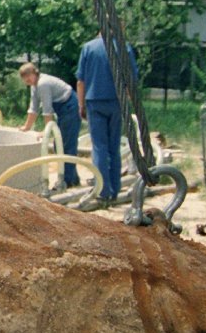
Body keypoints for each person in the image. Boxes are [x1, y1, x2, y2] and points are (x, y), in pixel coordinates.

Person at [74, 31, 138, 205]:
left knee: (99, 147)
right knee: (114, 145)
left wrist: (81, 104)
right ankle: (115, 189)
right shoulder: (125, 48)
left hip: (94, 100)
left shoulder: (88, 47)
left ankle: (102, 190)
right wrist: (127, 102)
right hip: (117, 101)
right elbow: (132, 79)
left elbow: (80, 81)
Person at [17, 62, 81, 189]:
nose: (27, 80)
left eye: (28, 76)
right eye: (24, 78)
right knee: (59, 145)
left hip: (70, 106)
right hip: (62, 108)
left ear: (35, 73)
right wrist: (26, 127)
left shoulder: (43, 84)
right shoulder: (34, 86)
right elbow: (33, 108)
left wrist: (47, 131)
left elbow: (47, 111)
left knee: (66, 144)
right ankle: (73, 178)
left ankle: (67, 181)